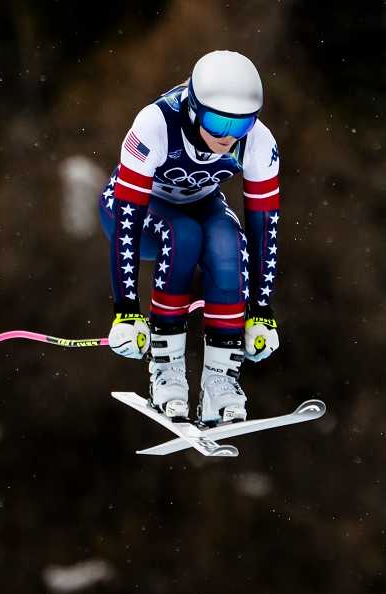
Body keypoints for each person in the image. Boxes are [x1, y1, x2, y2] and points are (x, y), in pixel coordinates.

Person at [100, 50, 281, 428]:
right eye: (216, 122)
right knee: (182, 235)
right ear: (195, 109)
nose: (227, 137)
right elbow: (127, 220)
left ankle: (221, 380)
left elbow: (265, 227)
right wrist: (126, 310)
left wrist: (263, 314)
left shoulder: (259, 142)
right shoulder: (156, 124)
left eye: (242, 125)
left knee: (227, 239)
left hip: (200, 204)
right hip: (136, 210)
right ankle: (166, 372)